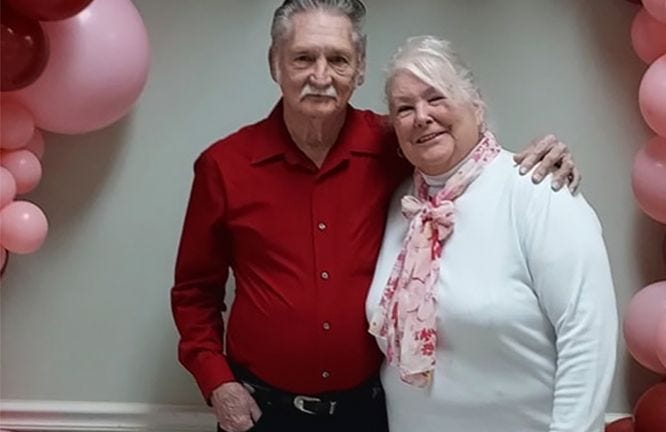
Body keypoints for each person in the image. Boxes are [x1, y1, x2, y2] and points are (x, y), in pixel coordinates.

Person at [171, 1, 580, 432]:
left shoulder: (397, 145)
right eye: (304, 58)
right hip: (261, 412)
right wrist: (217, 382)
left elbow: (466, 162)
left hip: (368, 413)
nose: (321, 76)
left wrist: (536, 160)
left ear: (360, 68)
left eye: (339, 60)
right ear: (276, 63)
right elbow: (194, 293)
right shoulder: (225, 166)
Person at [366, 35, 618, 432]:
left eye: (436, 97)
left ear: (476, 104)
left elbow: (587, 335)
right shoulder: (400, 205)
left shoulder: (536, 191)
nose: (422, 116)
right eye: (404, 108)